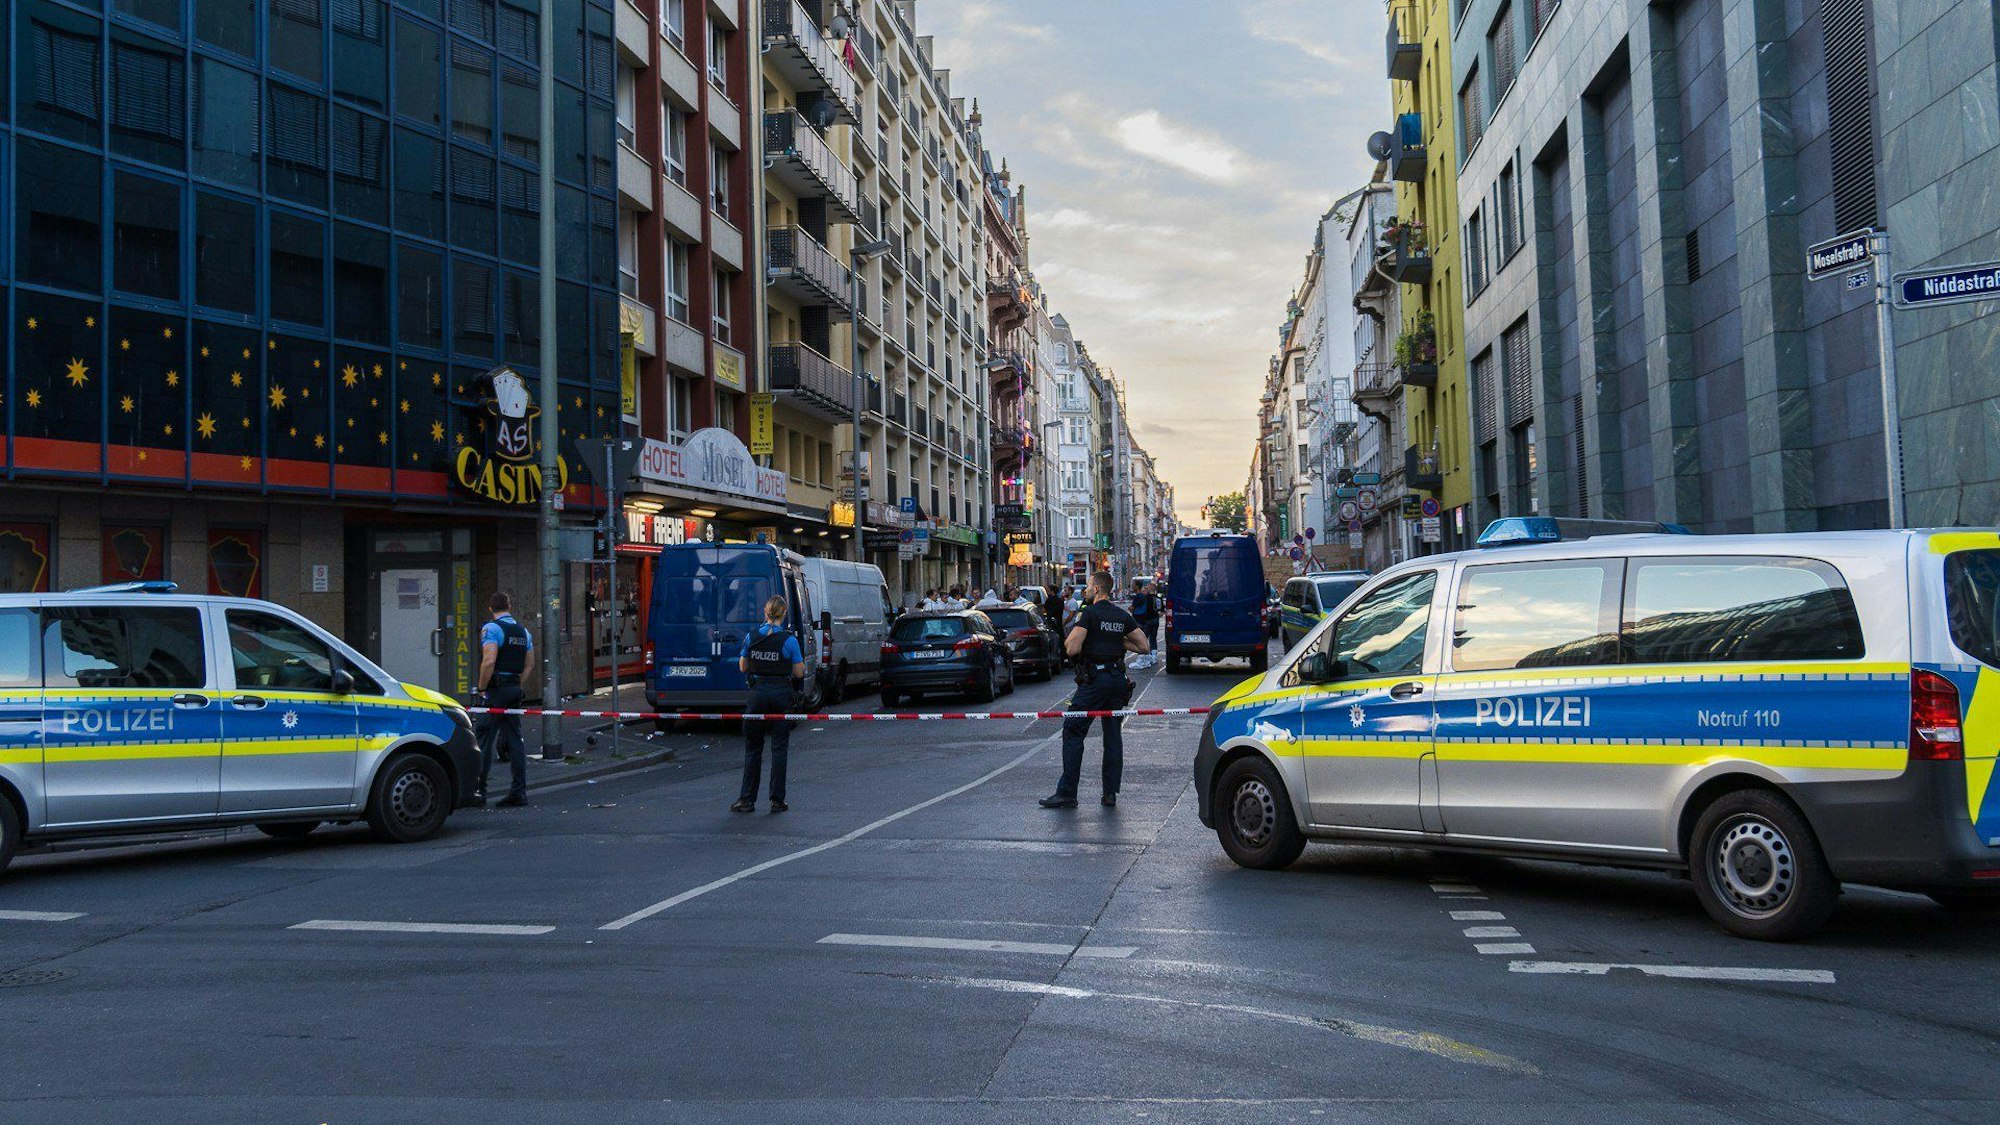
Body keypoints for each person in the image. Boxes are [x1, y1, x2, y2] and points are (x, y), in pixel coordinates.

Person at [1040, 571, 1149, 810]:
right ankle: (1109, 793)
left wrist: (1085, 637)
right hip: (1117, 680)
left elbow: (1071, 648)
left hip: (1095, 682)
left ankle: (1067, 793)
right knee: (1112, 734)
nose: (1085, 591)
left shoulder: (1089, 613)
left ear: (1097, 589)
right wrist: (1118, 641)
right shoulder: (1121, 615)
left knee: (1073, 730)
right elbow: (1144, 646)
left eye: (1088, 586)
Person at [734, 595, 805, 813]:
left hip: (758, 694)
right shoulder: (789, 640)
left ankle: (746, 799)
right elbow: (799, 672)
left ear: (765, 614)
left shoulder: (752, 637)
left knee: (753, 749)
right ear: (783, 614)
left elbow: (743, 667)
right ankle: (777, 800)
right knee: (779, 748)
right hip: (781, 695)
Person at [473, 592, 534, 808]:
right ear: (509, 606)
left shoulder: (492, 629)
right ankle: (519, 791)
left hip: (496, 691)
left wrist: (482, 688)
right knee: (515, 740)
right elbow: (530, 664)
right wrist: (518, 683)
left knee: (484, 738)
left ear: (491, 608)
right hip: (513, 690)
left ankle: (478, 792)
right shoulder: (523, 632)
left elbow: (489, 661)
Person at [1129, 578, 1163, 670]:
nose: (1146, 588)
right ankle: (1153, 657)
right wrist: (1157, 616)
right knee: (1153, 638)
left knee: (1143, 639)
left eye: (1147, 587)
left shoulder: (1146, 598)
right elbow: (1161, 611)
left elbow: (1139, 609)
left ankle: (1142, 660)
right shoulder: (1158, 598)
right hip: (1155, 620)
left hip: (1146, 621)